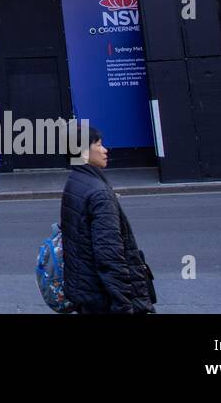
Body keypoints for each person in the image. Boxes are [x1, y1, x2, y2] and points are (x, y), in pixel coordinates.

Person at [59, 126, 156, 314]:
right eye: (99, 144)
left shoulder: (74, 182)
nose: (105, 150)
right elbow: (109, 254)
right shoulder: (99, 193)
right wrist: (123, 304)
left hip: (85, 291)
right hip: (103, 298)